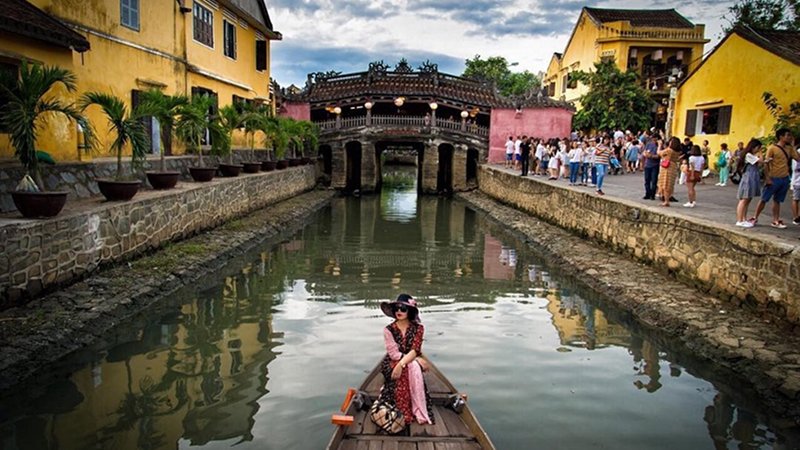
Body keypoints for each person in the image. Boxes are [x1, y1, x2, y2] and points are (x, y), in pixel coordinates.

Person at [378, 294, 434, 426]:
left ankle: (414, 408)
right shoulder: (388, 330)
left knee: (407, 369)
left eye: (403, 308)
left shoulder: (419, 328)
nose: (399, 311)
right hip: (393, 360)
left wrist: (403, 363)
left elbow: (415, 349)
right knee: (404, 371)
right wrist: (414, 360)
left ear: (409, 311)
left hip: (408, 359)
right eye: (397, 308)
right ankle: (403, 411)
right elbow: (393, 354)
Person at [751, 128, 798, 228]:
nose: (790, 137)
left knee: (778, 200)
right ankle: (755, 217)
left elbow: (798, 158)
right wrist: (767, 178)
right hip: (773, 177)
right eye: (788, 135)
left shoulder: (789, 149)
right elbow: (766, 164)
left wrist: (793, 146)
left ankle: (775, 220)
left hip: (784, 178)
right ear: (781, 137)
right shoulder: (772, 148)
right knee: (764, 199)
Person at [735, 139, 765, 228]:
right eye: (758, 148)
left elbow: (759, 164)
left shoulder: (750, 155)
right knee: (744, 199)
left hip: (752, 178)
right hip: (748, 178)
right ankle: (739, 220)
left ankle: (744, 218)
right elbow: (761, 161)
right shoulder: (748, 155)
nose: (758, 150)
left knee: (748, 200)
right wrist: (760, 153)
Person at [657, 137, 682, 207]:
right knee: (670, 184)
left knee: (665, 184)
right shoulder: (677, 151)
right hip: (673, 167)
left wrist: (659, 145)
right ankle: (667, 199)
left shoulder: (669, 150)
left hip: (667, 167)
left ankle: (666, 201)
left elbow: (659, 153)